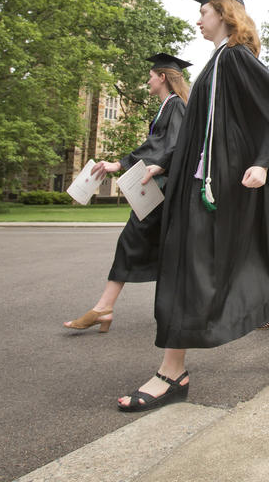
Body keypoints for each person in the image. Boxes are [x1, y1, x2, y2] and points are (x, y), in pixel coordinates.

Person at [117, 0, 269, 412]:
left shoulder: (238, 60)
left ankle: (172, 372)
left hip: (223, 185)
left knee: (190, 267)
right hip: (203, 180)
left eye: (203, 12)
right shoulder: (218, 62)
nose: (198, 20)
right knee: (229, 263)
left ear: (223, 13)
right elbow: (203, 129)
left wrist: (264, 162)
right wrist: (163, 162)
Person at [64, 53, 190, 333]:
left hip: (163, 190)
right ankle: (109, 308)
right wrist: (121, 163)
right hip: (157, 189)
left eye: (150, 75)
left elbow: (169, 146)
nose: (147, 80)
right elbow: (157, 145)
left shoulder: (176, 107)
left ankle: (105, 308)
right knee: (164, 248)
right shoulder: (167, 107)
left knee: (135, 241)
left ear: (162, 77)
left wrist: (120, 163)